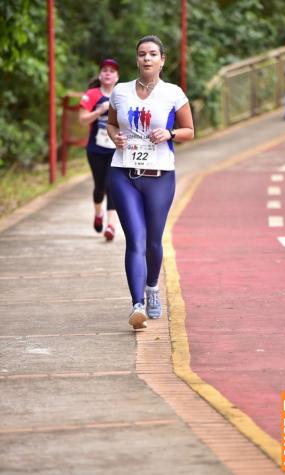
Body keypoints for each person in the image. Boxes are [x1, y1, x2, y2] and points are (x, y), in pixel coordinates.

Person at [107, 35, 194, 330]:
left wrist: (170, 134)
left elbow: (189, 131)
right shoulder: (120, 91)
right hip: (123, 174)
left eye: (152, 54)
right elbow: (110, 123)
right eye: (142, 53)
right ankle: (137, 305)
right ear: (136, 59)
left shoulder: (173, 93)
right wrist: (113, 136)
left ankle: (152, 287)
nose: (146, 58)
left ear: (162, 60)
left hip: (159, 177)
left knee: (154, 242)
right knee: (136, 239)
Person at [79, 58, 119, 240]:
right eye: (105, 70)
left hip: (115, 148)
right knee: (100, 186)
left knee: (112, 184)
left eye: (112, 71)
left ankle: (110, 225)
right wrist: (99, 111)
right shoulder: (92, 94)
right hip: (95, 149)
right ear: (100, 75)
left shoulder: (122, 94)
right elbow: (82, 119)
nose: (108, 73)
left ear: (117, 76)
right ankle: (98, 214)